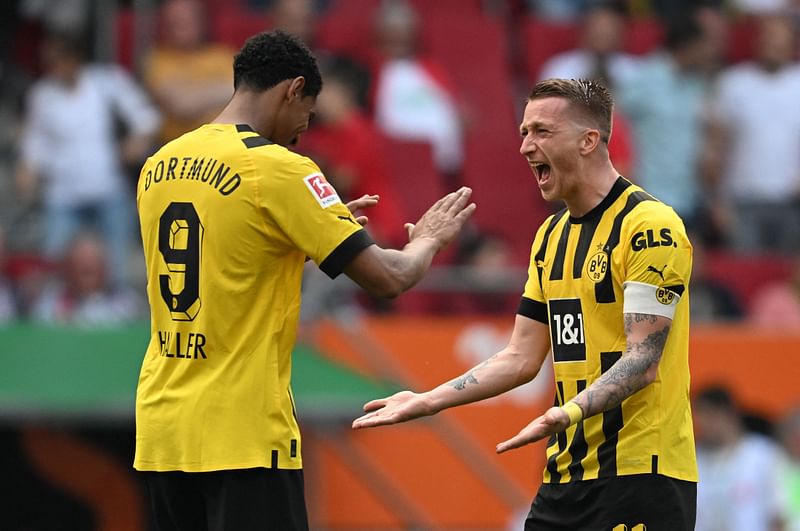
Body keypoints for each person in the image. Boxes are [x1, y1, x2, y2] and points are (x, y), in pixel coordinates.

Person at [133, 30, 475, 530]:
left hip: (162, 429)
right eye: (306, 115)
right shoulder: (279, 169)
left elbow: (227, 261)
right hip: (243, 433)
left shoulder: (159, 164)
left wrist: (309, 234)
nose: (301, 132)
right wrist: (429, 239)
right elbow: (389, 277)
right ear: (293, 89)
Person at [353, 78, 697, 530]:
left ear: (589, 140)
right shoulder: (551, 237)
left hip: (640, 474)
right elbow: (520, 357)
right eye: (523, 132)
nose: (525, 147)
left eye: (541, 132)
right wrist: (429, 400)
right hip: (566, 475)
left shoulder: (651, 226)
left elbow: (643, 360)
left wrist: (567, 411)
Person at [16, 29, 160, 287]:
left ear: (74, 58)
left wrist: (136, 141)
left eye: (56, 60)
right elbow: (35, 142)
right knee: (53, 262)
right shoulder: (42, 95)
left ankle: (118, 312)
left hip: (106, 186)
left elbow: (147, 118)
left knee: (116, 264)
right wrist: (28, 168)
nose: (51, 67)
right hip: (63, 192)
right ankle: (55, 314)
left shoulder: (107, 82)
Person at [705, 13, 800, 254]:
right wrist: (716, 199)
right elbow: (716, 146)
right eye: (769, 41)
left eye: (780, 42)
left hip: (791, 201)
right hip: (742, 200)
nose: (774, 48)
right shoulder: (733, 82)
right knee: (744, 276)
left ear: (792, 44)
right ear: (758, 42)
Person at [693, 385, 787, 531]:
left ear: (728, 414)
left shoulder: (762, 455)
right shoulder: (694, 460)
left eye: (709, 415)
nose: (702, 424)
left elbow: (778, 514)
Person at [142, 0, 235, 145]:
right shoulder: (157, 59)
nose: (179, 27)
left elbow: (246, 93)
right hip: (175, 148)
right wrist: (226, 89)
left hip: (225, 144)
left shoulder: (222, 55)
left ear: (201, 21)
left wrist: (194, 92)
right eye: (174, 22)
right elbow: (182, 105)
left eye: (186, 20)